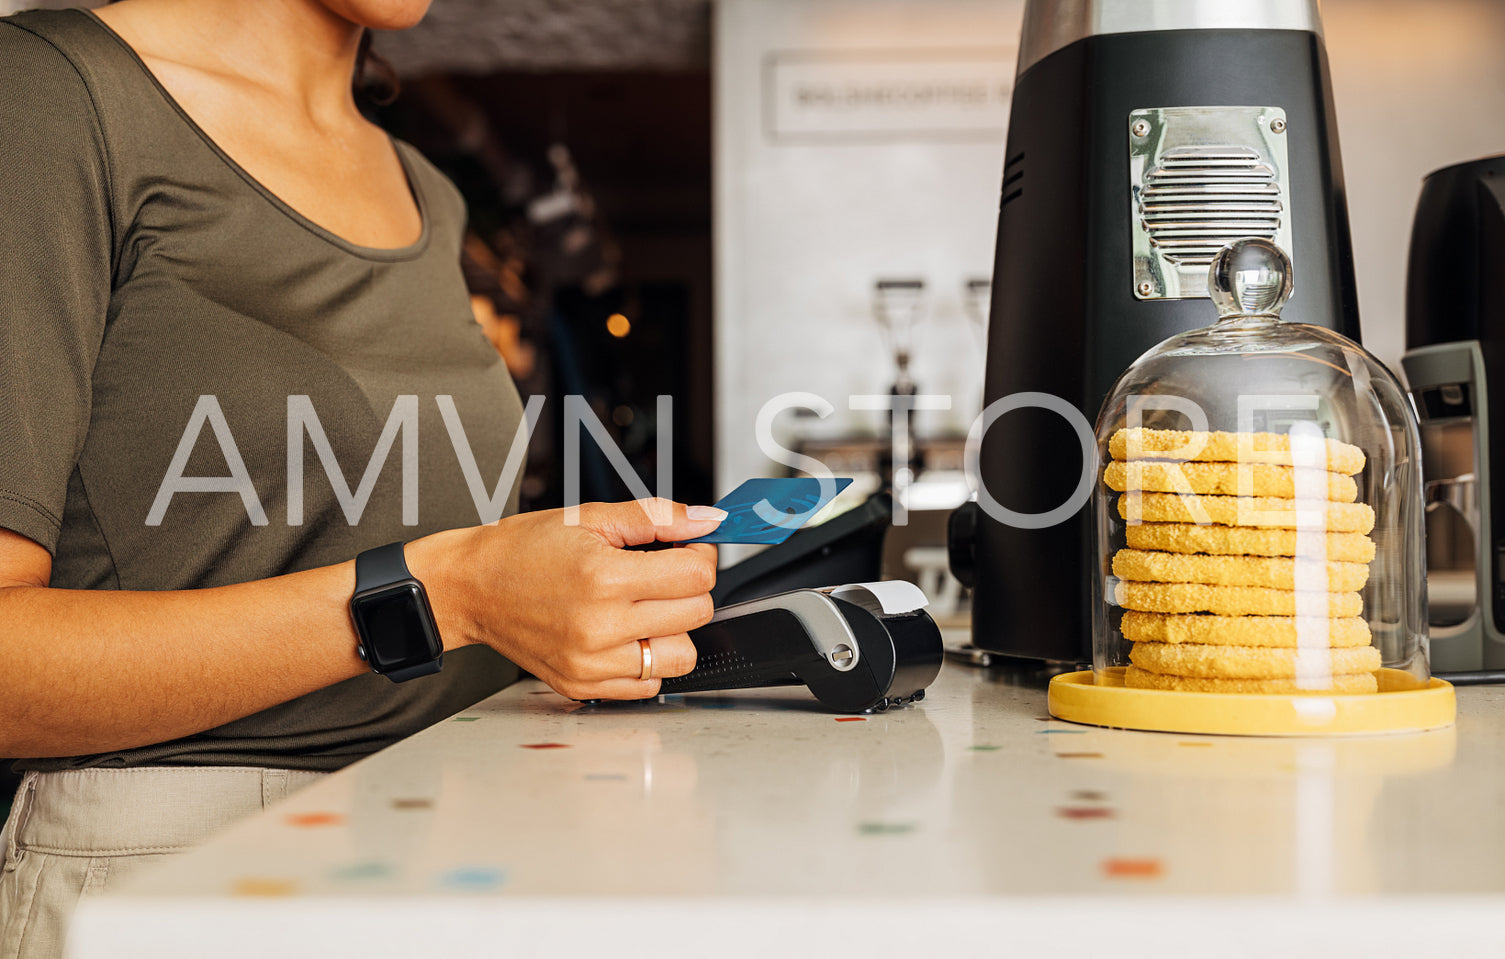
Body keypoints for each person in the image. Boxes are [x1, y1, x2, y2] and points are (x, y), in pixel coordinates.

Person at [0, 2, 722, 957]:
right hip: (185, 871)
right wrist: (444, 594)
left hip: (452, 841)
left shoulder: (424, 186)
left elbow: (447, 566)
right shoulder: (47, 96)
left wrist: (568, 601)